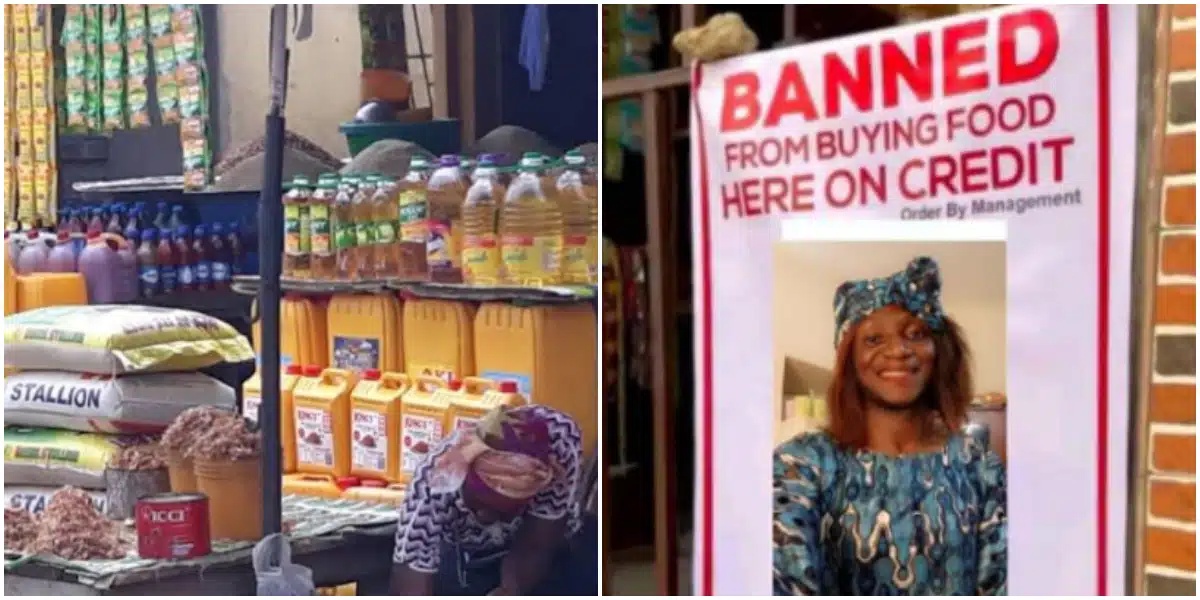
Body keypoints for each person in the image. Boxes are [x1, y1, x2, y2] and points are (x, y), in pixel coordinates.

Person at [773, 256, 1007, 596]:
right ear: (849, 360)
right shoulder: (803, 466)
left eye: (916, 334)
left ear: (938, 352)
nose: (899, 350)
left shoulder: (978, 466)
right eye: (873, 340)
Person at [390, 403, 592, 595]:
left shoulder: (557, 445)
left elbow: (537, 545)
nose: (485, 516)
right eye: (479, 505)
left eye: (502, 512)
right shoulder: (433, 485)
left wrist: (509, 591)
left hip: (544, 544)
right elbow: (411, 580)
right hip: (463, 551)